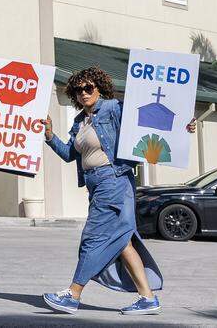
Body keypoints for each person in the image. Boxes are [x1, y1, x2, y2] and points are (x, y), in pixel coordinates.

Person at [41, 67, 196, 317]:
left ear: (99, 88)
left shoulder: (113, 108)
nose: (83, 93)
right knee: (122, 242)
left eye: (88, 88)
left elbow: (147, 125)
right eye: (78, 90)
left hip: (113, 180)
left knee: (93, 238)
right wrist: (49, 136)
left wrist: (182, 128)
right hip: (97, 185)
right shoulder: (80, 121)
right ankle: (148, 298)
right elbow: (71, 154)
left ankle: (73, 294)